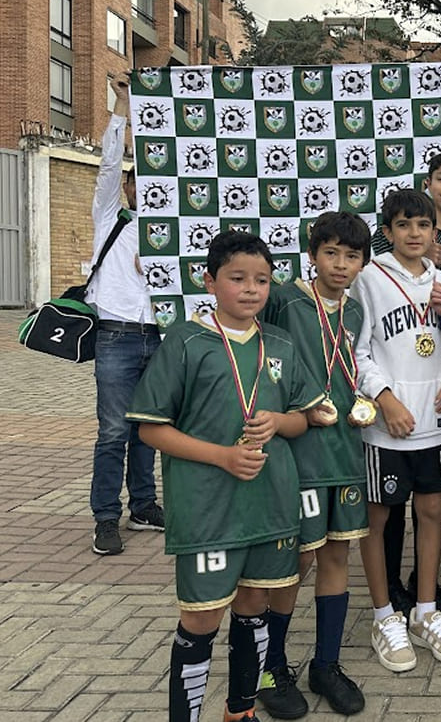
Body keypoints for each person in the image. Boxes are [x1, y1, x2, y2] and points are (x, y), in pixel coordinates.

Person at [128, 230, 323, 722]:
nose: (252, 289)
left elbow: (303, 419)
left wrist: (278, 422)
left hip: (270, 504)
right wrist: (222, 456)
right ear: (209, 281)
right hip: (208, 508)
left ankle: (240, 712)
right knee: (201, 617)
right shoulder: (186, 340)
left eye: (262, 279)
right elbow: (151, 428)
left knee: (254, 605)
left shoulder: (280, 343)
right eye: (238, 278)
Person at [256, 211, 372, 718]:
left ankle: (326, 664)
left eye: (351, 256)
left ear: (362, 262)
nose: (341, 264)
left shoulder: (354, 311)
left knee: (337, 557)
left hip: (344, 449)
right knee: (295, 561)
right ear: (312, 254)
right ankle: (269, 666)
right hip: (299, 451)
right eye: (331, 253)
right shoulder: (284, 300)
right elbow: (259, 359)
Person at [353, 189, 441, 671]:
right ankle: (384, 615)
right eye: (403, 225)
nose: (414, 233)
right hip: (388, 423)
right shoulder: (368, 278)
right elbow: (356, 350)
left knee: (433, 510)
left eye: (423, 225)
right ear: (387, 232)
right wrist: (384, 398)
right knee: (378, 517)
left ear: (434, 230)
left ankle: (424, 611)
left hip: (432, 419)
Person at [383, 146, 441, 620]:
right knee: (392, 497)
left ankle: (426, 582)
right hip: (395, 386)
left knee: (432, 494)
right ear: (429, 182)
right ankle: (390, 585)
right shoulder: (387, 250)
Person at [86, 78, 163, 556]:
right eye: (137, 181)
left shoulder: (174, 230)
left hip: (158, 336)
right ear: (129, 187)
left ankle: (144, 505)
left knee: (147, 427)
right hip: (115, 335)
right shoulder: (109, 217)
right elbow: (109, 166)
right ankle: (105, 517)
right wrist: (122, 107)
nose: (143, 189)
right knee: (114, 430)